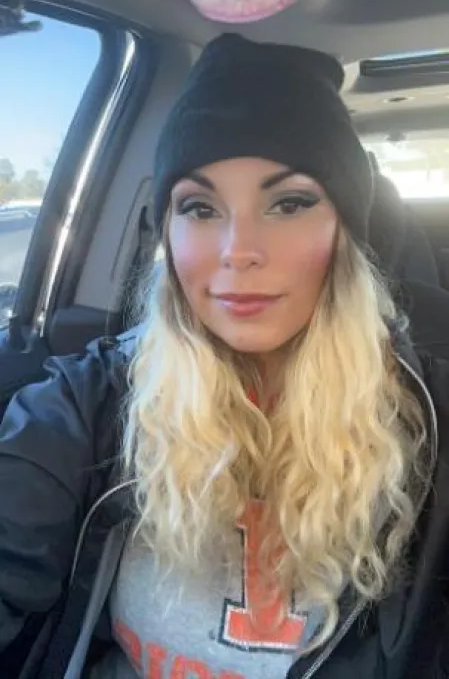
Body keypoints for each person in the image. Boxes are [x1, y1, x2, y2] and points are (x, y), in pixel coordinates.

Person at [0, 34, 449, 679]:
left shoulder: (431, 425)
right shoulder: (89, 402)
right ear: (168, 233)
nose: (238, 249)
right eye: (200, 207)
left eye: (289, 203)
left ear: (344, 233)